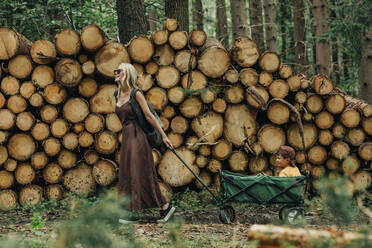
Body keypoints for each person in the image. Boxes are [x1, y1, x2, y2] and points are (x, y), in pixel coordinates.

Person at [114, 63, 175, 223]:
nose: (115, 73)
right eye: (116, 70)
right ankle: (163, 207)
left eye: (118, 71)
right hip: (127, 136)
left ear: (127, 74)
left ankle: (135, 212)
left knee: (138, 172)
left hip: (137, 136)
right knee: (127, 173)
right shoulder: (117, 93)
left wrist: (163, 136)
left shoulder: (136, 93)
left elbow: (149, 116)